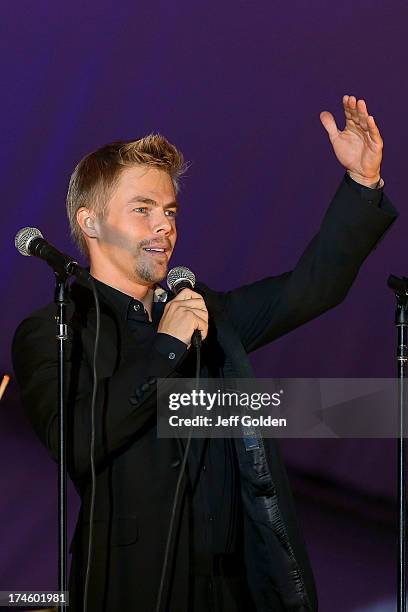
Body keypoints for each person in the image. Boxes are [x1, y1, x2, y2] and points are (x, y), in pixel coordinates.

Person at [12, 95, 397, 612]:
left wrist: (362, 184)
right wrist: (167, 347)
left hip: (232, 587)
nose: (164, 226)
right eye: (143, 209)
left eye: (169, 210)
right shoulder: (57, 330)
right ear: (91, 223)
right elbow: (76, 439)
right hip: (130, 586)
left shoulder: (203, 313)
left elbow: (310, 289)